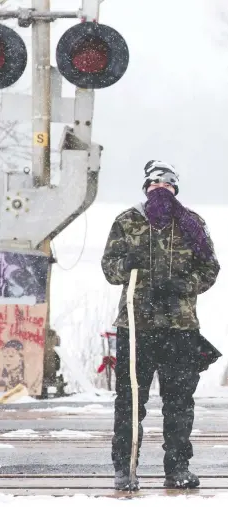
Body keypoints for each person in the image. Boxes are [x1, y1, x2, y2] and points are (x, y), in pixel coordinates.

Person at [101, 160, 222, 490]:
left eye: (166, 187)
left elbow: (210, 268)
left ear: (175, 189)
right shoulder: (127, 222)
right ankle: (125, 469)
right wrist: (128, 264)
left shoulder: (192, 224)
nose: (160, 192)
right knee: (129, 402)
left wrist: (182, 286)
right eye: (155, 187)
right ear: (146, 188)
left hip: (180, 328)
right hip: (136, 328)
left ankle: (178, 468)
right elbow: (110, 270)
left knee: (179, 403)